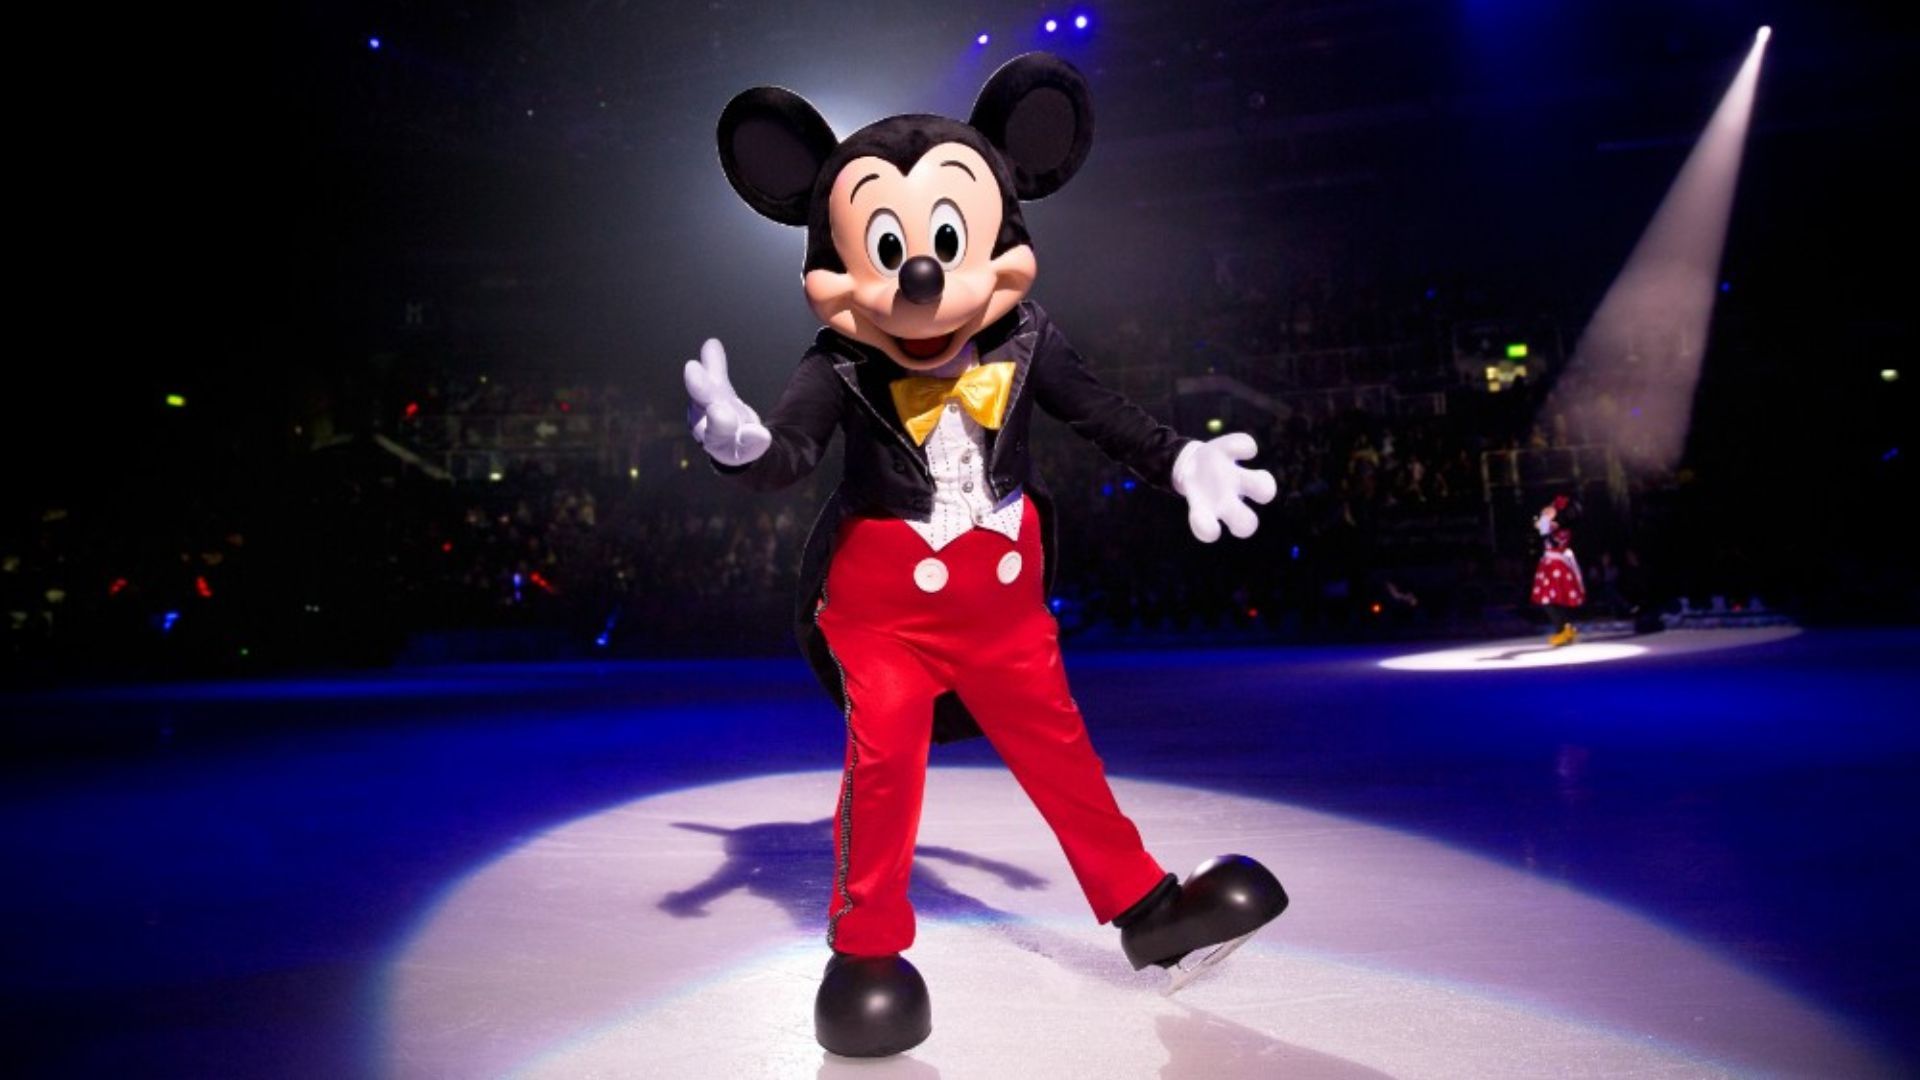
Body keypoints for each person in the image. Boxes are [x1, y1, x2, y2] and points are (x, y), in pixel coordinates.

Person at [687, 53, 1288, 1057]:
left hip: (1003, 602)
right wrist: (740, 446)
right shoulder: (839, 361)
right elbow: (789, 450)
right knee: (887, 761)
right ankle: (866, 955)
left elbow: (1102, 412)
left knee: (1061, 751)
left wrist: (1181, 459)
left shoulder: (1029, 336)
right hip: (881, 608)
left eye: (947, 241)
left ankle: (1148, 910)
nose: (921, 277)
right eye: (886, 248)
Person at [1530, 494, 1585, 646]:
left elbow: (1553, 541)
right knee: (1552, 600)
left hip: (1556, 566)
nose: (1546, 511)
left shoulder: (1559, 528)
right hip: (1551, 565)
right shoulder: (1551, 525)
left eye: (1551, 509)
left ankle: (1562, 630)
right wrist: (1543, 522)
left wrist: (1545, 526)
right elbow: (1538, 525)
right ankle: (1565, 628)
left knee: (1549, 600)